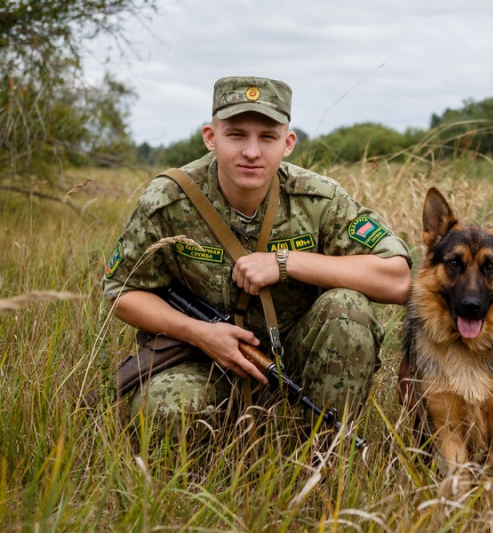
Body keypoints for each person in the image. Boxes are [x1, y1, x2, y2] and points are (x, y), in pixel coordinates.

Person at [103, 76, 412, 442]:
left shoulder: (319, 199)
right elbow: (123, 291)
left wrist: (285, 263)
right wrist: (201, 334)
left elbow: (397, 279)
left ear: (288, 143)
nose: (252, 151)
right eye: (236, 135)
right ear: (210, 137)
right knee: (163, 411)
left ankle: (321, 459)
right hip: (202, 360)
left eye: (267, 137)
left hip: (292, 360)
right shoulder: (168, 198)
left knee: (347, 307)